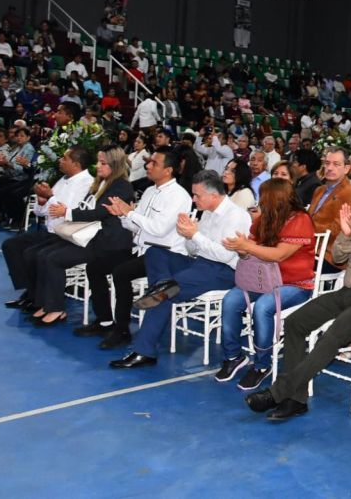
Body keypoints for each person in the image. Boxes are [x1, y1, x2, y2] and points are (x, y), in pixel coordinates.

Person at [243, 170, 351, 419]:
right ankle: (296, 400)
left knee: (332, 335)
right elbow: (340, 256)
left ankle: (277, 393)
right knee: (295, 323)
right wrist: (346, 233)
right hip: (348, 292)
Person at [109, 170, 252, 368]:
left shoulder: (236, 216)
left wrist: (194, 235)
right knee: (155, 253)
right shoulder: (207, 213)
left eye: (197, 195)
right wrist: (188, 236)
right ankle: (161, 286)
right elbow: (193, 250)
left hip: (224, 271)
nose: (194, 199)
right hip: (201, 263)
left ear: (213, 195)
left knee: (165, 293)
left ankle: (144, 350)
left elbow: (225, 256)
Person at [216, 178, 317, 389]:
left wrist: (247, 247)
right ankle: (233, 356)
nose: (259, 201)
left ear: (275, 199)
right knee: (230, 301)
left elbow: (279, 255)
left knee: (262, 307)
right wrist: (241, 249)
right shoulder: (265, 219)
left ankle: (262, 365)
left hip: (295, 284)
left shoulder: (300, 220)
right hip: (263, 281)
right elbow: (249, 253)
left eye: (263, 196)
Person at [25, 146, 134, 334]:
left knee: (54, 258)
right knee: (43, 254)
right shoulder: (101, 182)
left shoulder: (121, 186)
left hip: (108, 243)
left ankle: (56, 308)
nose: (97, 166)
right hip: (91, 237)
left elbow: (100, 212)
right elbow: (87, 208)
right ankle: (45, 303)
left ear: (114, 164)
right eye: (98, 162)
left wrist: (67, 212)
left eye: (102, 163)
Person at [97, 147, 193, 350]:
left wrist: (130, 213)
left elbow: (158, 229)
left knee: (121, 273)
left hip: (165, 254)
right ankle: (104, 320)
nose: (148, 166)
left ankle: (122, 329)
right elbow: (136, 226)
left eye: (154, 163)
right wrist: (122, 215)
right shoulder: (150, 191)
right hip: (142, 250)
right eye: (149, 162)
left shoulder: (178, 196)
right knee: (98, 265)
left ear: (168, 170)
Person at [1, 146, 95, 314]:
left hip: (65, 234)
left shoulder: (86, 183)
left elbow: (69, 211)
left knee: (32, 253)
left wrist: (50, 197)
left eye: (64, 158)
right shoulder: (63, 179)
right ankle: (30, 291)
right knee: (11, 245)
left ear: (76, 164)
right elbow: (42, 212)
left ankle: (36, 297)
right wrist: (42, 201)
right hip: (50, 230)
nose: (60, 161)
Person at [307, 147, 351, 274]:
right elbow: (308, 217)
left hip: (329, 255)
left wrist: (305, 229)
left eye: (336, 164)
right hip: (309, 247)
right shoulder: (319, 190)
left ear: (346, 169)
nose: (330, 168)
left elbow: (338, 229)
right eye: (327, 163)